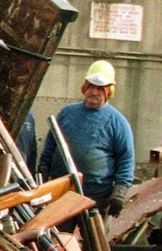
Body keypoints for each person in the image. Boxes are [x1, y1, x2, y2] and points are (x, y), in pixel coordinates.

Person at [38, 60, 134, 216]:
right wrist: (43, 171)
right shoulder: (67, 113)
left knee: (94, 239)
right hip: (62, 193)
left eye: (100, 88)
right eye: (91, 86)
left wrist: (119, 193)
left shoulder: (118, 122)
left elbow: (126, 159)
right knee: (59, 238)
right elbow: (50, 145)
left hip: (96, 198)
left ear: (109, 91)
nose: (94, 92)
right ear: (84, 87)